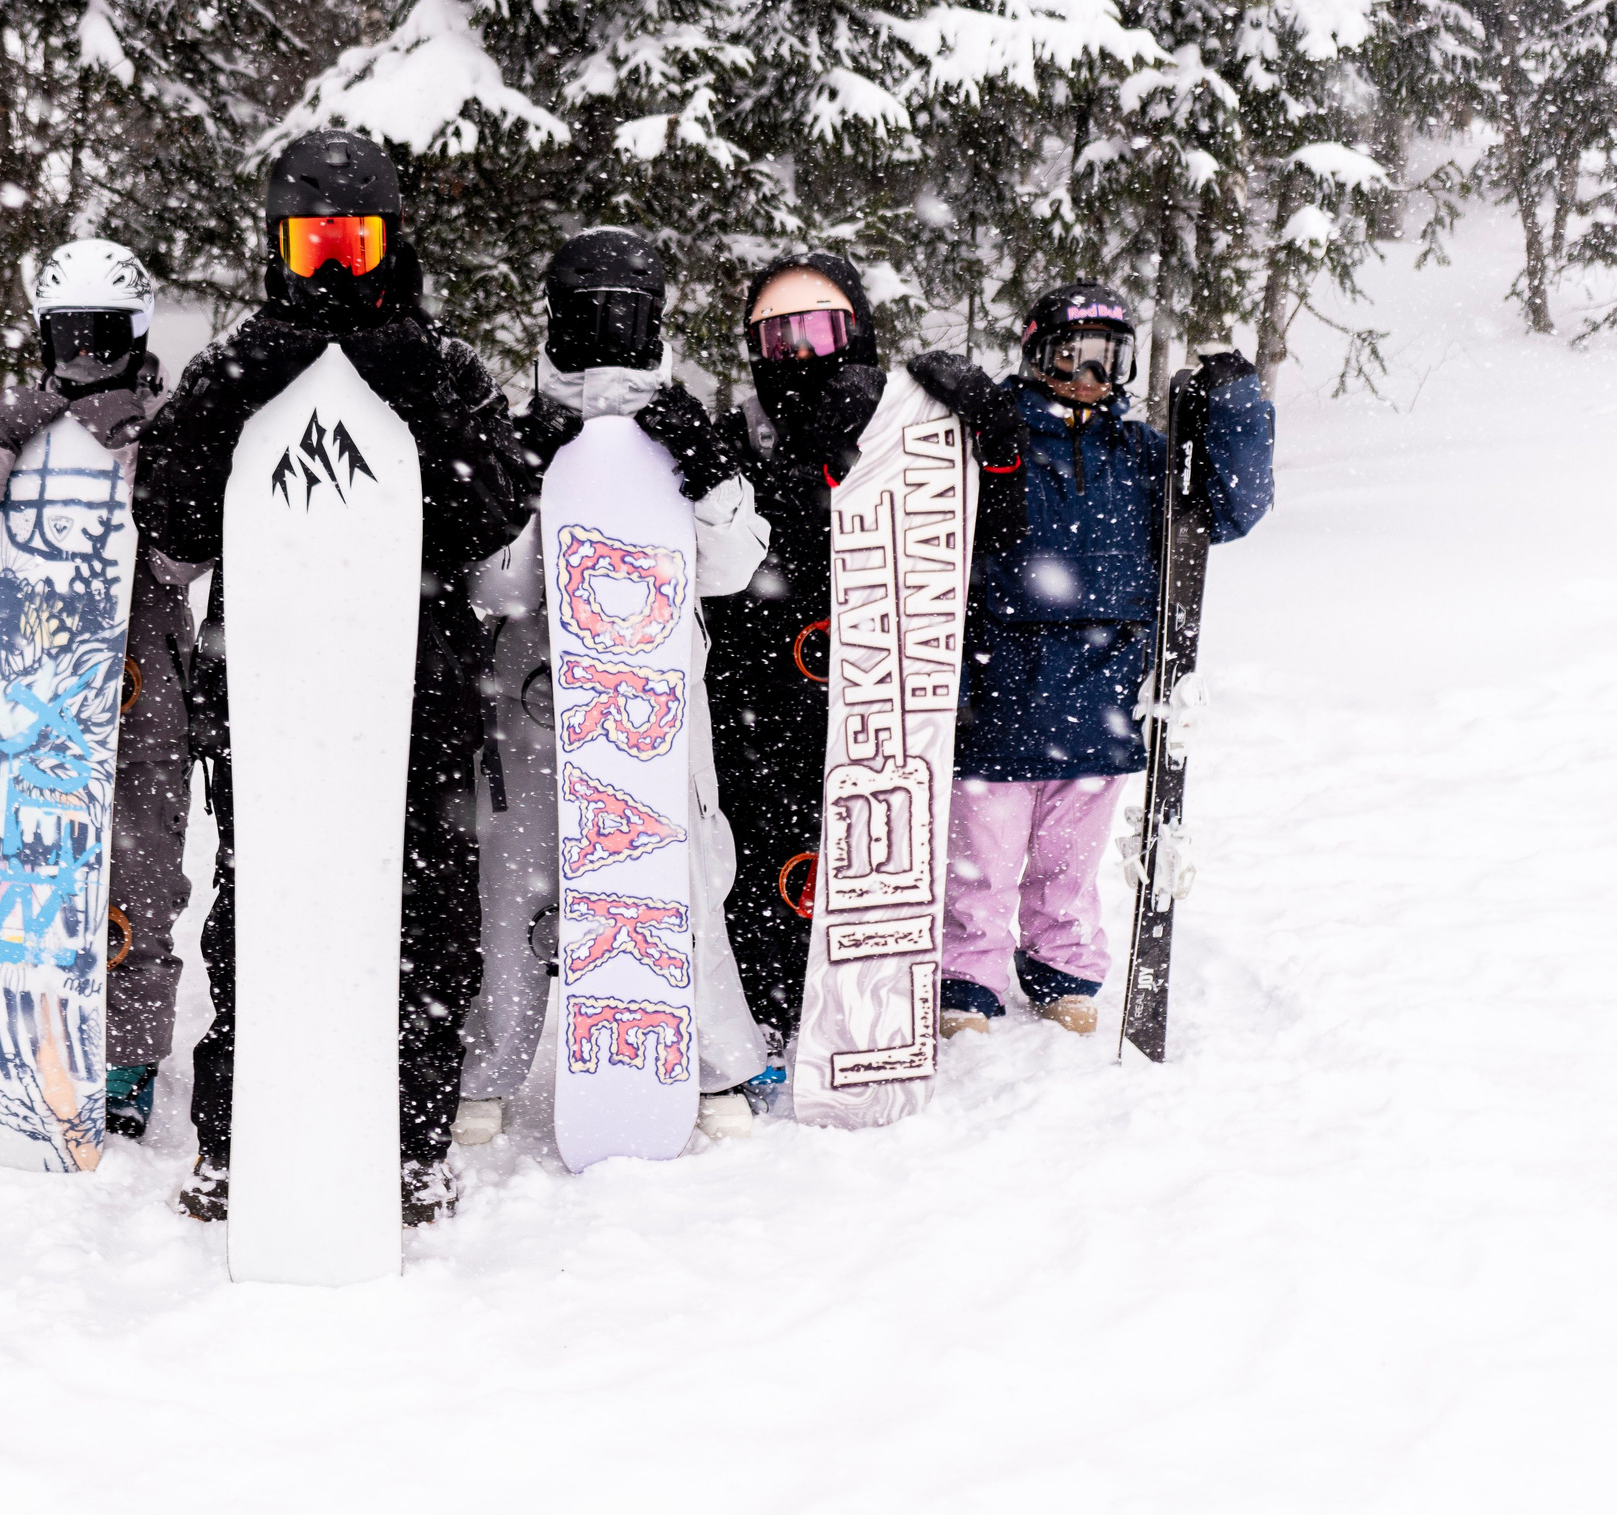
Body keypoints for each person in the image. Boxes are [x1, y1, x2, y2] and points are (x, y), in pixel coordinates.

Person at [135, 129, 535, 1225]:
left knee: (426, 917)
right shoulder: (237, 361)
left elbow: (495, 512)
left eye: (352, 246)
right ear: (277, 247)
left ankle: (411, 1139)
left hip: (416, 689)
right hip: (271, 691)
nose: (331, 271)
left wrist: (422, 395)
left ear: (388, 244)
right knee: (264, 914)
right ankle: (235, 1139)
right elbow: (170, 521)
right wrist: (233, 390)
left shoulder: (441, 361)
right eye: (310, 247)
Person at [451, 228, 778, 1146]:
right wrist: (520, 473)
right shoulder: (517, 427)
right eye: (585, 310)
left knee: (676, 876)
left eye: (623, 311)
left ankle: (710, 1061)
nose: (604, 327)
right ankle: (489, 1066)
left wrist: (706, 471)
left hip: (654, 702)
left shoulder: (681, 427)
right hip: (537, 703)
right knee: (516, 886)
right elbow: (494, 587)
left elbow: (733, 566)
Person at [703, 253, 1027, 1089]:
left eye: (820, 330)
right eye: (778, 337)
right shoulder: (735, 433)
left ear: (858, 330)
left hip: (878, 687)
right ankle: (765, 1015)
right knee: (756, 854)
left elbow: (991, 537)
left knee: (866, 849)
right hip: (756, 696)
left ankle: (864, 1015)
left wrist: (994, 445)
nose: (800, 355)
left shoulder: (911, 427)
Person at [913, 284, 1274, 1036]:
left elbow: (1230, 509)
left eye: (1108, 357)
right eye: (1071, 354)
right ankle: (967, 979)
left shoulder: (1139, 453)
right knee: (982, 857)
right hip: (1002, 680)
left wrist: (1236, 404)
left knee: (1070, 859)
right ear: (1036, 354)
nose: (1088, 375)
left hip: (1101, 686)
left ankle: (1064, 970)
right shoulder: (996, 435)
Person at [0, 238, 200, 1140]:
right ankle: (26, 1036)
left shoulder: (167, 428)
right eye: (69, 336)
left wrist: (137, 448)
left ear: (135, 335)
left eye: (102, 337)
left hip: (139, 703)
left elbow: (181, 558)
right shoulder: (13, 431)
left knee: (140, 885)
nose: (84, 357)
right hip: (33, 706)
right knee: (33, 883)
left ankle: (127, 1057)